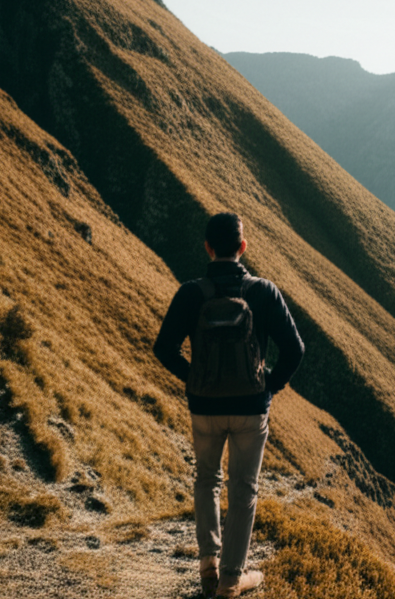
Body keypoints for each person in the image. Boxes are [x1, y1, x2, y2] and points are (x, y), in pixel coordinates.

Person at [154, 212, 304, 598]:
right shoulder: (264, 292)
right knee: (244, 489)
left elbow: (163, 348)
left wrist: (193, 379)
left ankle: (208, 564)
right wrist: (269, 387)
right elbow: (295, 349)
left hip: (204, 407)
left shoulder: (192, 293)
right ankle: (231, 580)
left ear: (208, 247)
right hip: (251, 410)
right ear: (242, 247)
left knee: (206, 479)